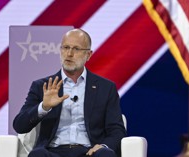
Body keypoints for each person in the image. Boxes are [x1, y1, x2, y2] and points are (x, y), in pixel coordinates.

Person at [13, 28, 126, 157]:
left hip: (90, 152)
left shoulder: (106, 88)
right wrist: (44, 107)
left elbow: (117, 130)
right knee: (37, 155)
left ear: (88, 55)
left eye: (76, 49)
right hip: (52, 152)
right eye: (65, 47)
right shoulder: (43, 86)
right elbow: (19, 126)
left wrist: (103, 146)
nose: (69, 54)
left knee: (106, 155)